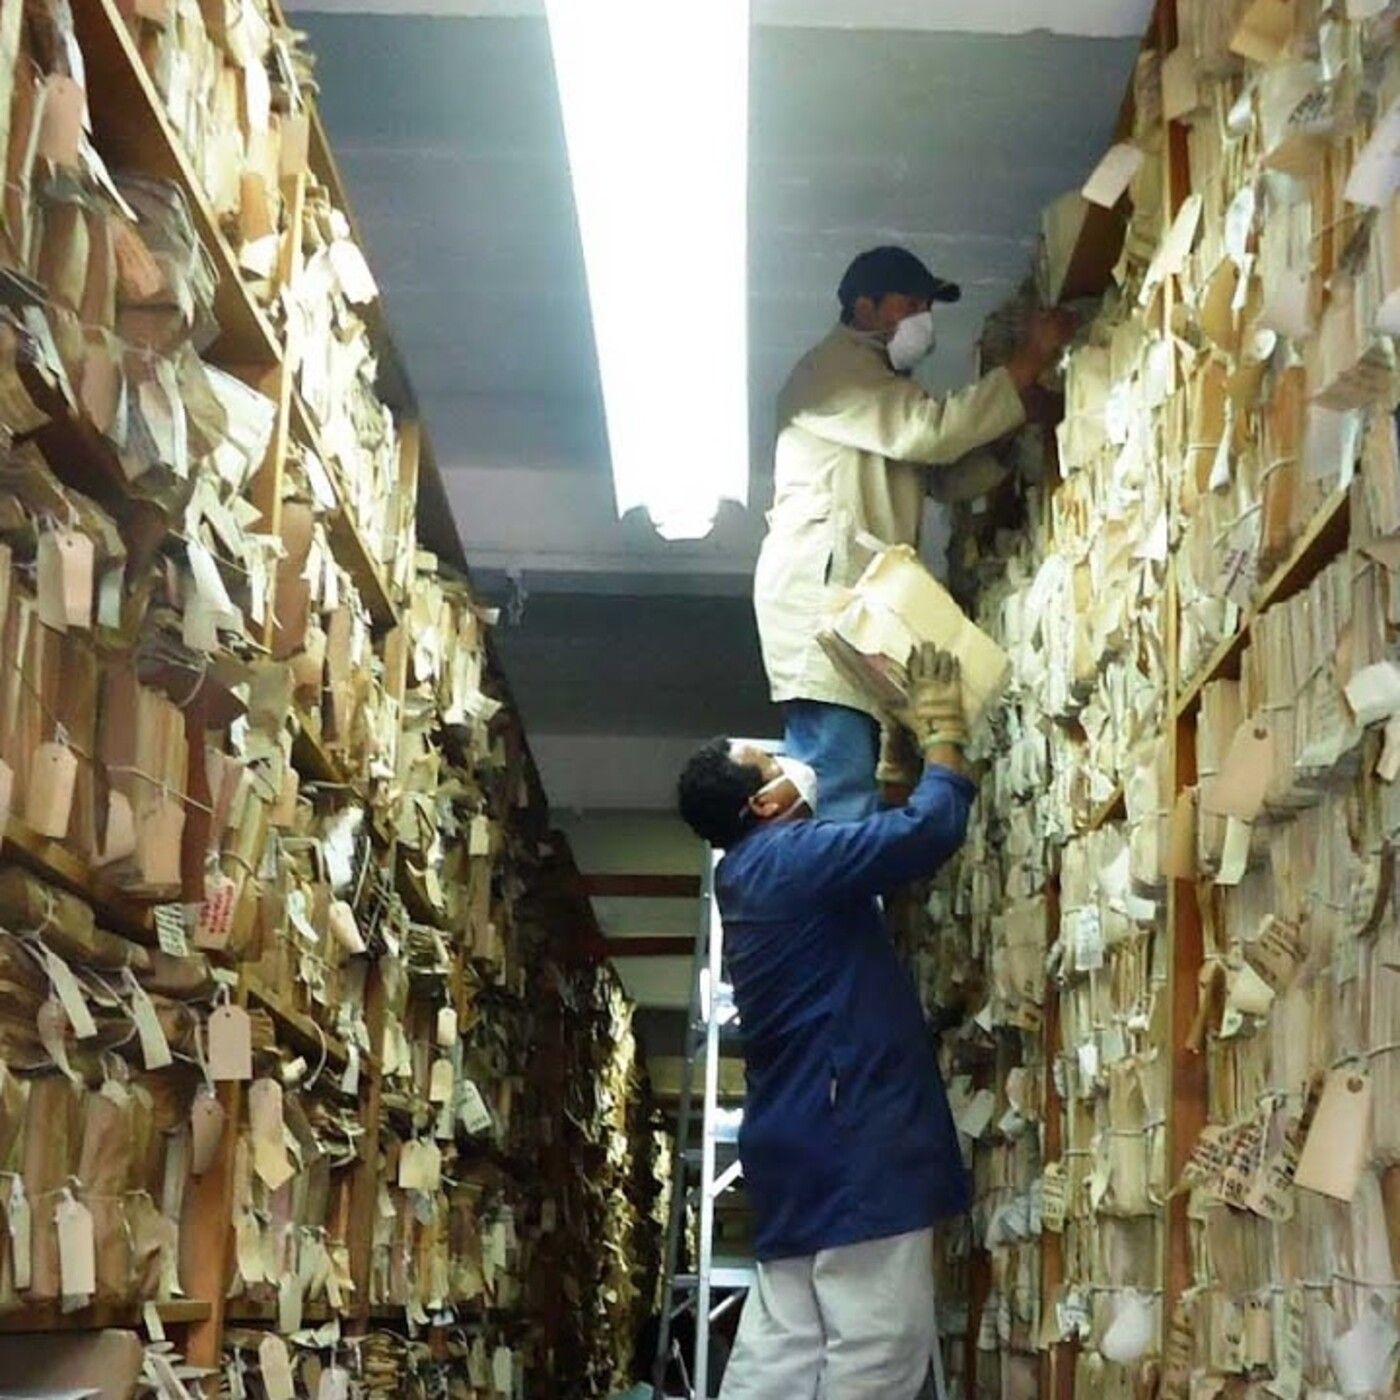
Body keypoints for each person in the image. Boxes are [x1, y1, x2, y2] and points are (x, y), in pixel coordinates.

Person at [675, 647, 975, 1399]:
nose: (790, 761)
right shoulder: (788, 860)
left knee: (784, 1345)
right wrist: (943, 728)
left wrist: (893, 768)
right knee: (874, 1344)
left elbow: (870, 850)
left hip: (798, 1140)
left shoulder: (749, 871)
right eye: (770, 760)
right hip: (856, 1137)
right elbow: (928, 832)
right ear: (766, 803)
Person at [754, 245, 1073, 821]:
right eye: (910, 303)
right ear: (865, 306)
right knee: (837, 772)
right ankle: (835, 897)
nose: (922, 319)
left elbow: (942, 476)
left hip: (849, 599)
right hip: (820, 601)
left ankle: (844, 890)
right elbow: (927, 436)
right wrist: (1026, 363)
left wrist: (1013, 424)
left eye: (928, 306)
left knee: (849, 769)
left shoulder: (880, 386)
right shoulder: (835, 371)